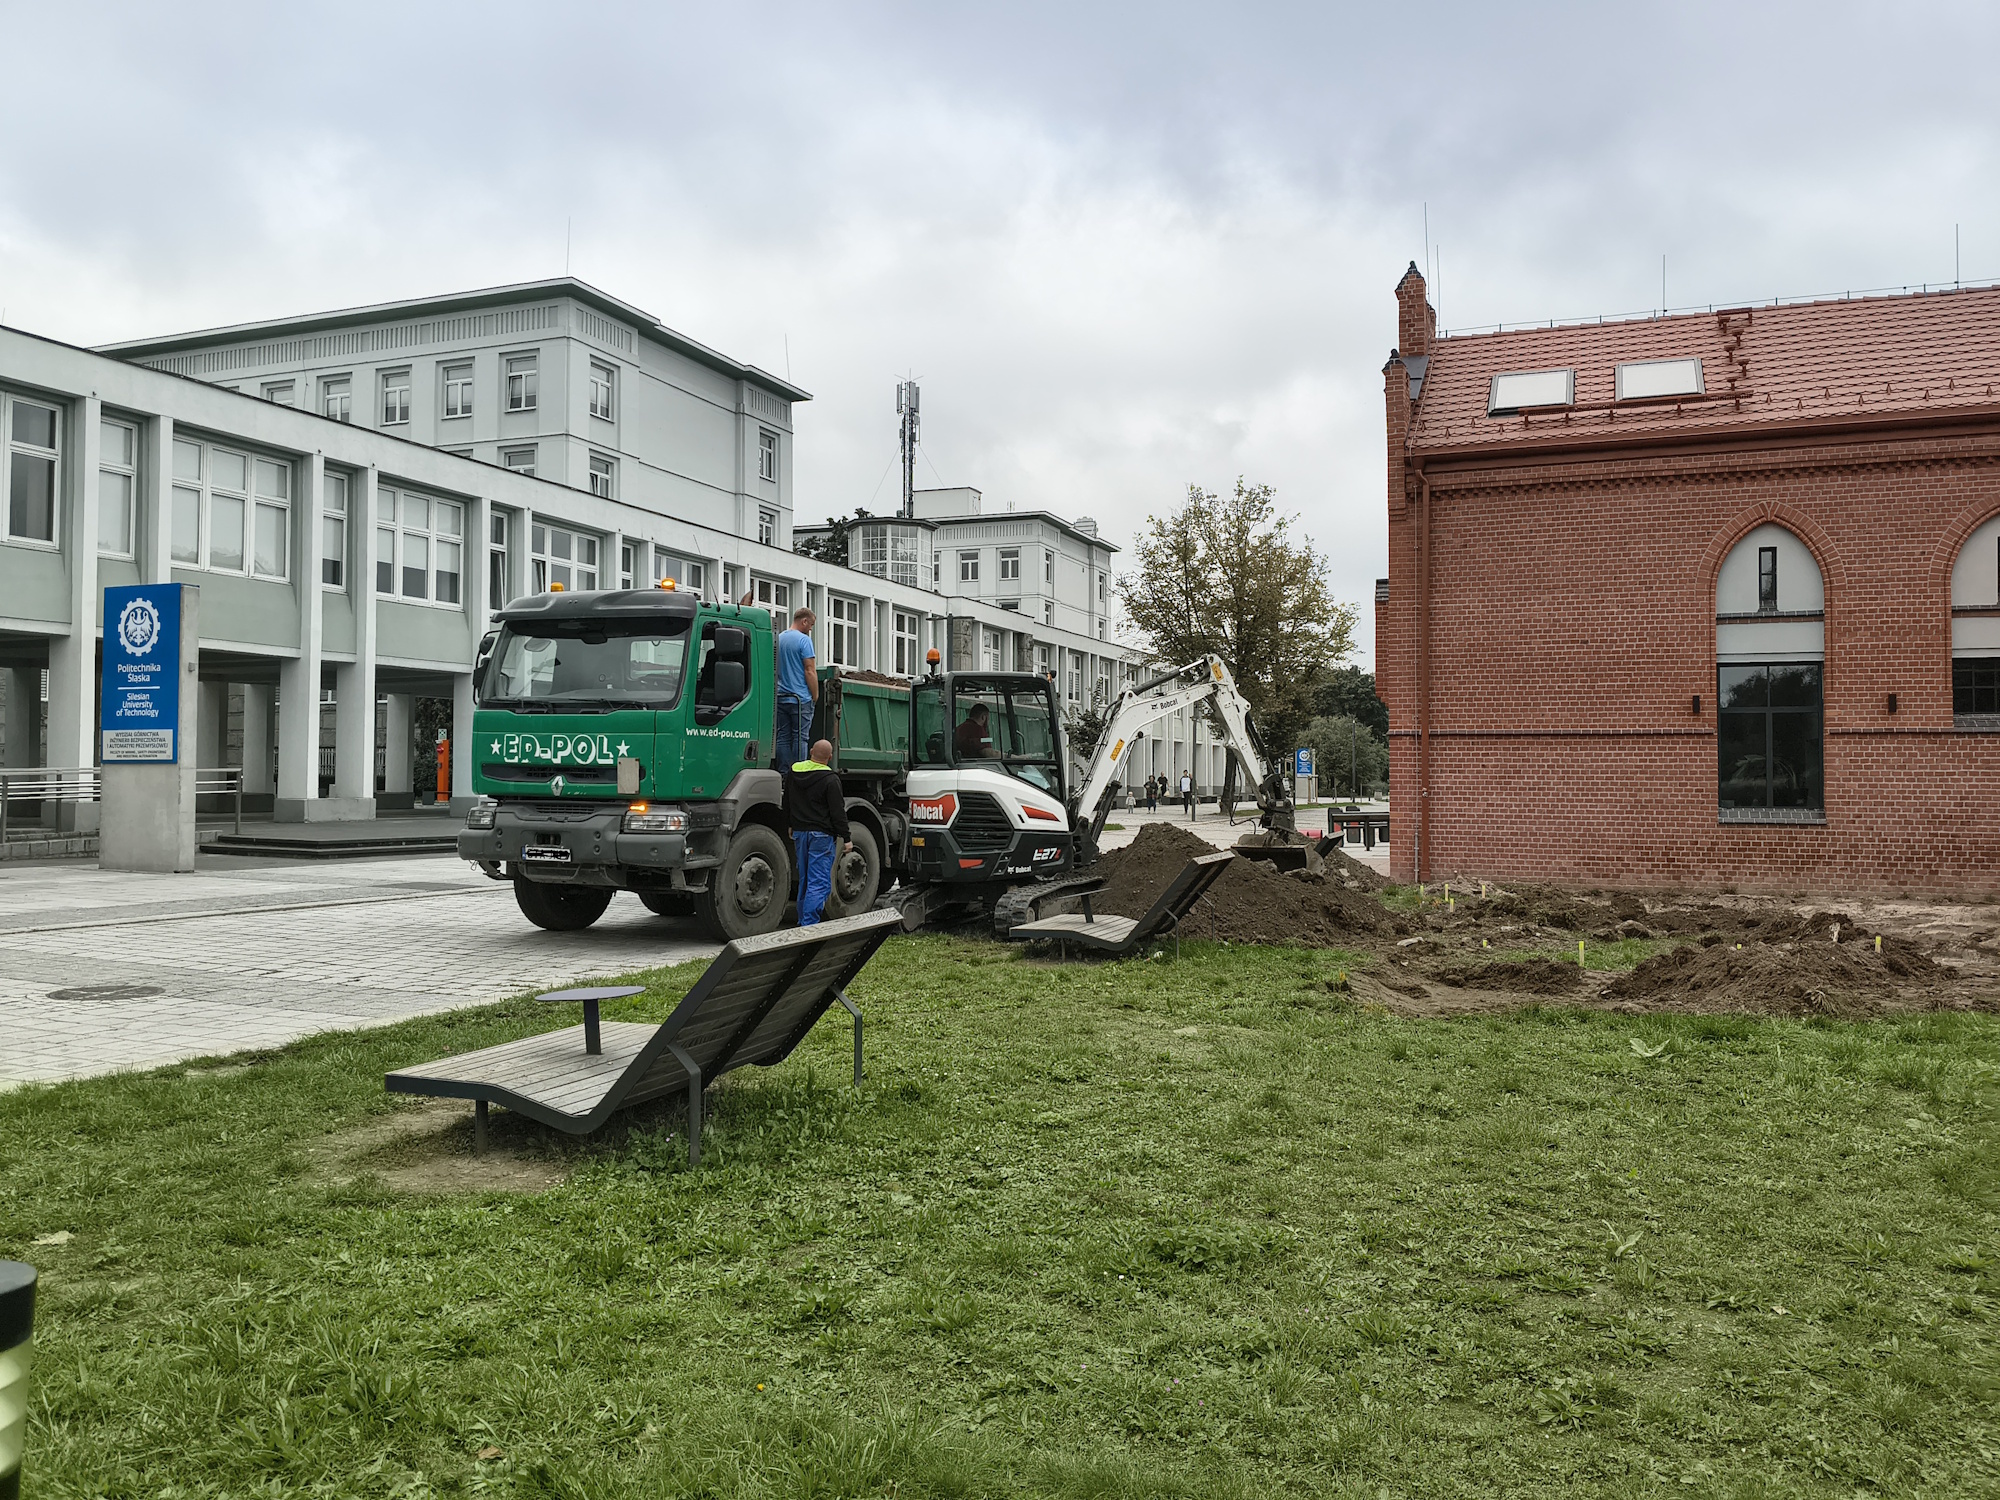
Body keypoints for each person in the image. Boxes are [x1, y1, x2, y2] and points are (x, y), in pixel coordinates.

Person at [787, 738, 850, 926]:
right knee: (819, 882)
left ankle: (802, 922)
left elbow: (787, 801)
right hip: (821, 836)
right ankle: (809, 926)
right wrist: (846, 838)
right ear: (830, 757)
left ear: (811, 751)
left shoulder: (793, 772)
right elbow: (837, 811)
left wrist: (790, 823)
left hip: (800, 833)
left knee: (805, 880)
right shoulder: (831, 779)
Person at [775, 607, 818, 769]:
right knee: (800, 738)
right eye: (811, 625)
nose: (810, 629)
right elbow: (809, 670)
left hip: (780, 696)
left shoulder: (779, 638)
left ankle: (785, 773)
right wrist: (815, 695)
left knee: (783, 737)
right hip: (800, 698)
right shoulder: (804, 640)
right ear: (804, 621)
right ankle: (799, 772)